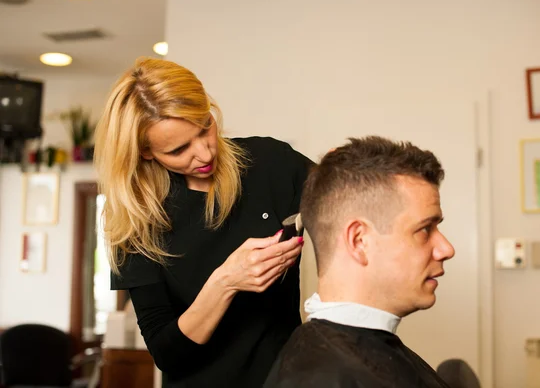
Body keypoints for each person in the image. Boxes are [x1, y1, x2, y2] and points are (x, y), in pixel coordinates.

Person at [93, 57, 313, 387]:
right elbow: (166, 353)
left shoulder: (271, 163)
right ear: (146, 152)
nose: (205, 153)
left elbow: (347, 209)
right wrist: (226, 281)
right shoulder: (134, 217)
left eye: (204, 127)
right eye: (180, 149)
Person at [263, 136, 456, 388]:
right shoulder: (319, 378)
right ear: (359, 241)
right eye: (424, 229)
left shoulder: (358, 351)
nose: (446, 249)